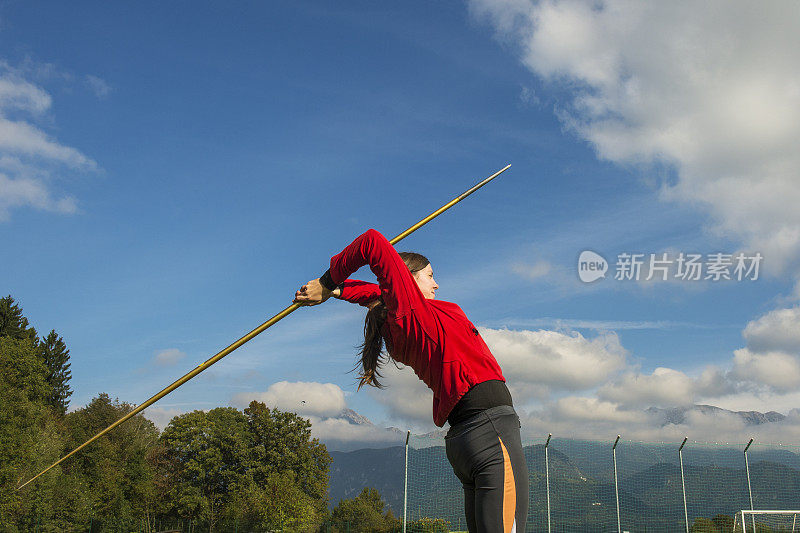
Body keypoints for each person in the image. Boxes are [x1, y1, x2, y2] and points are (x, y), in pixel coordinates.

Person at [294, 228, 527, 533]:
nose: (437, 283)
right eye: (430, 275)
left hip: (466, 438)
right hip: (490, 430)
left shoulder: (401, 321)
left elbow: (376, 295)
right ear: (410, 280)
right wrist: (327, 281)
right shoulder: (415, 314)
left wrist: (336, 290)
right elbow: (371, 242)